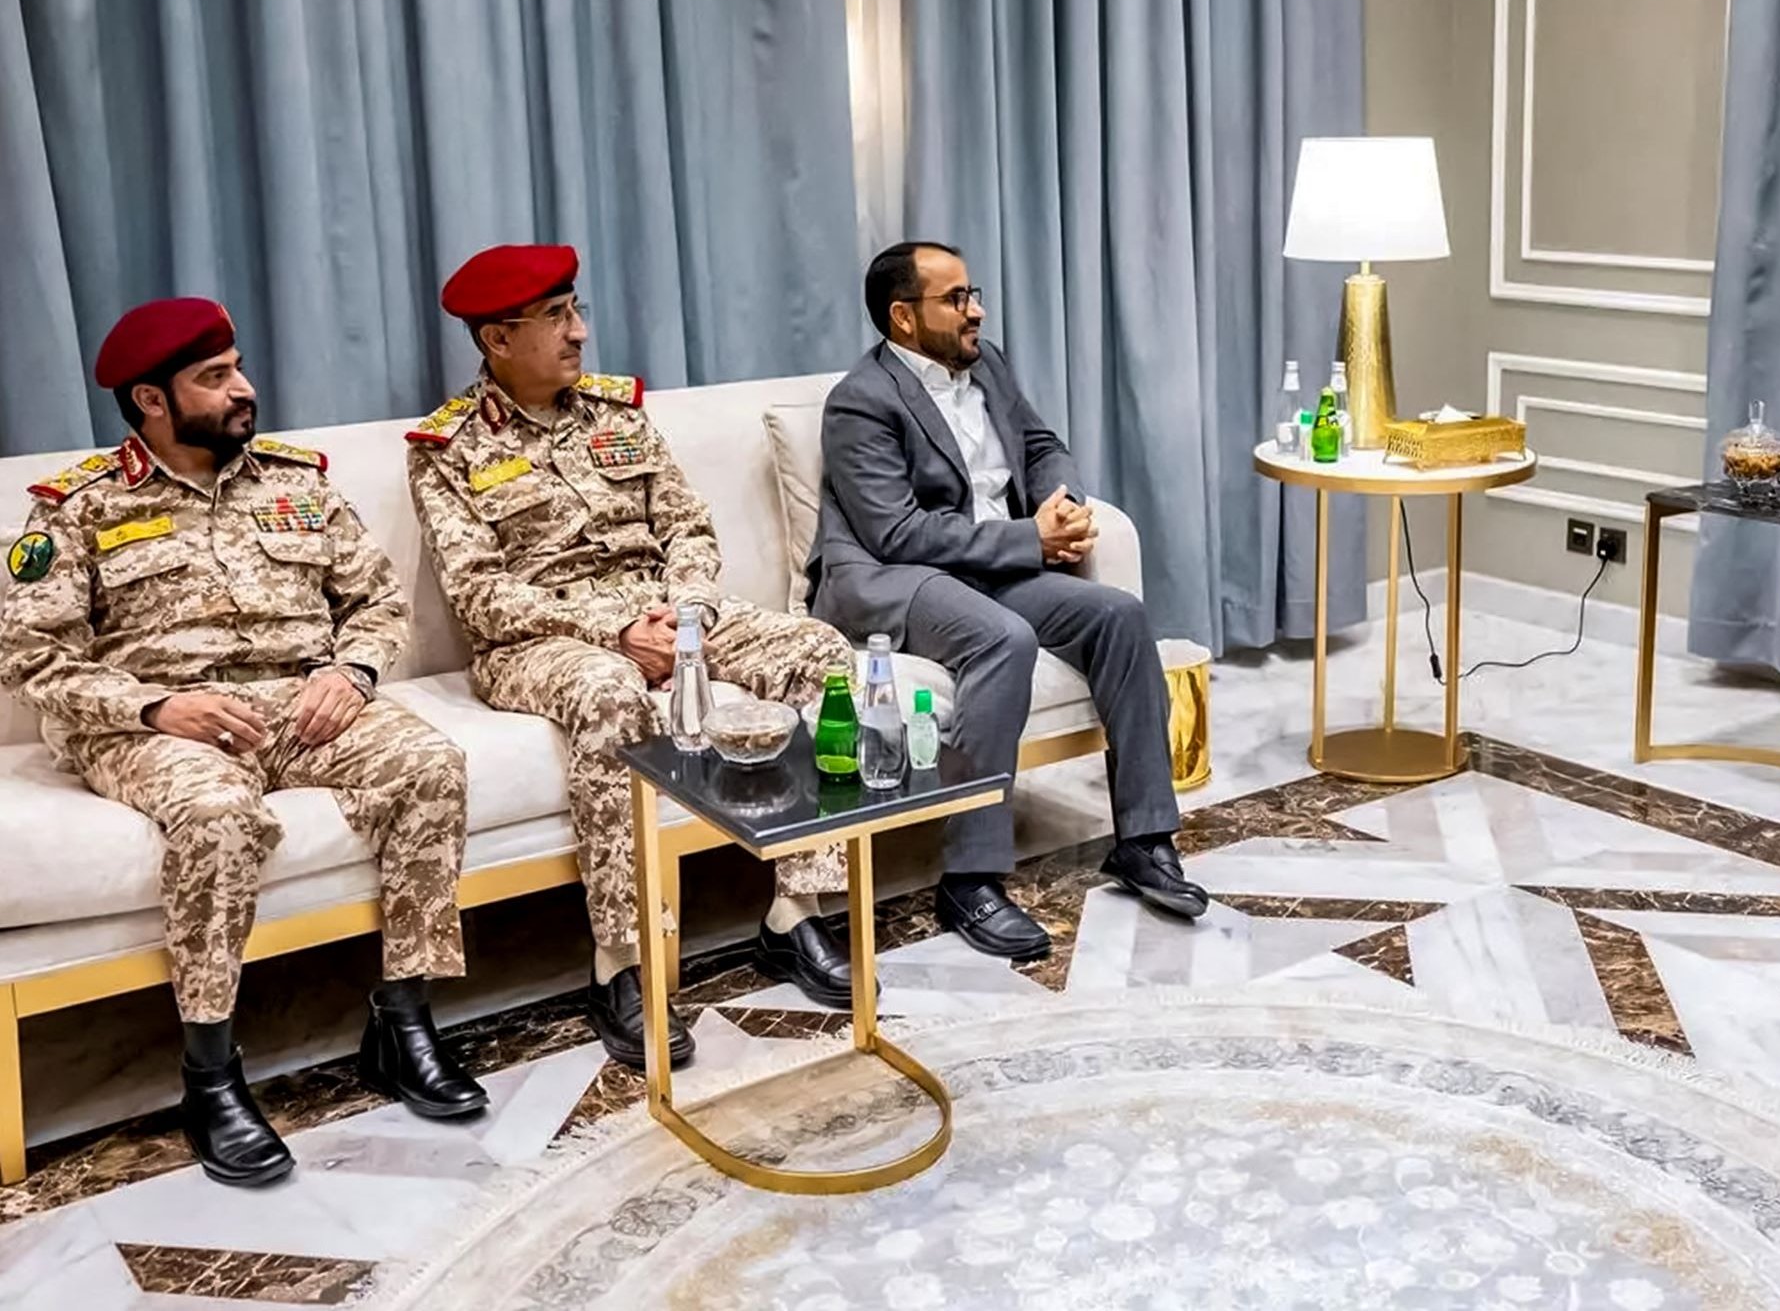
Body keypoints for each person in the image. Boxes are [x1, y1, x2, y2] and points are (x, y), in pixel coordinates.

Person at [0, 298, 481, 1186]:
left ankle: (404, 1022)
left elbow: (377, 603)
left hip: (301, 703)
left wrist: (355, 675)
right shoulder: (80, 507)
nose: (244, 391)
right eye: (213, 378)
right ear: (151, 398)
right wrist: (153, 707)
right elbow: (28, 656)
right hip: (156, 721)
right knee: (218, 813)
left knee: (427, 764)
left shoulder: (296, 482)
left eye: (238, 367)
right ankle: (212, 1074)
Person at [407, 245, 855, 1068]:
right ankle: (623, 963)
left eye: (576, 309)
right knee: (615, 697)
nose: (579, 332)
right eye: (556, 319)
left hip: (667, 612)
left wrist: (683, 614)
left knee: (819, 652)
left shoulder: (619, 413)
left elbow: (689, 527)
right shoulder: (447, 447)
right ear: (498, 340)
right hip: (541, 643)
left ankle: (799, 910)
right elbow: (478, 593)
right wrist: (613, 636)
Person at [808, 241, 1206, 960]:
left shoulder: (983, 362)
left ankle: (1144, 839)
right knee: (1003, 639)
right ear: (903, 317)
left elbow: (1042, 442)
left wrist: (1062, 503)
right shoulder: (859, 402)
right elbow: (896, 531)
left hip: (991, 565)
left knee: (1119, 615)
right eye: (956, 298)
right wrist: (1030, 540)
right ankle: (971, 878)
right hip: (889, 575)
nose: (976, 310)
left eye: (974, 293)